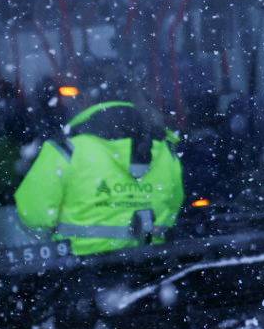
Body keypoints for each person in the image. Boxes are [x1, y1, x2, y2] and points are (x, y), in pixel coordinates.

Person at [14, 76, 185, 258]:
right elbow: (172, 211)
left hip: (80, 273)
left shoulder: (66, 151)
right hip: (154, 272)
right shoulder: (166, 152)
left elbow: (33, 215)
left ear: (86, 102)